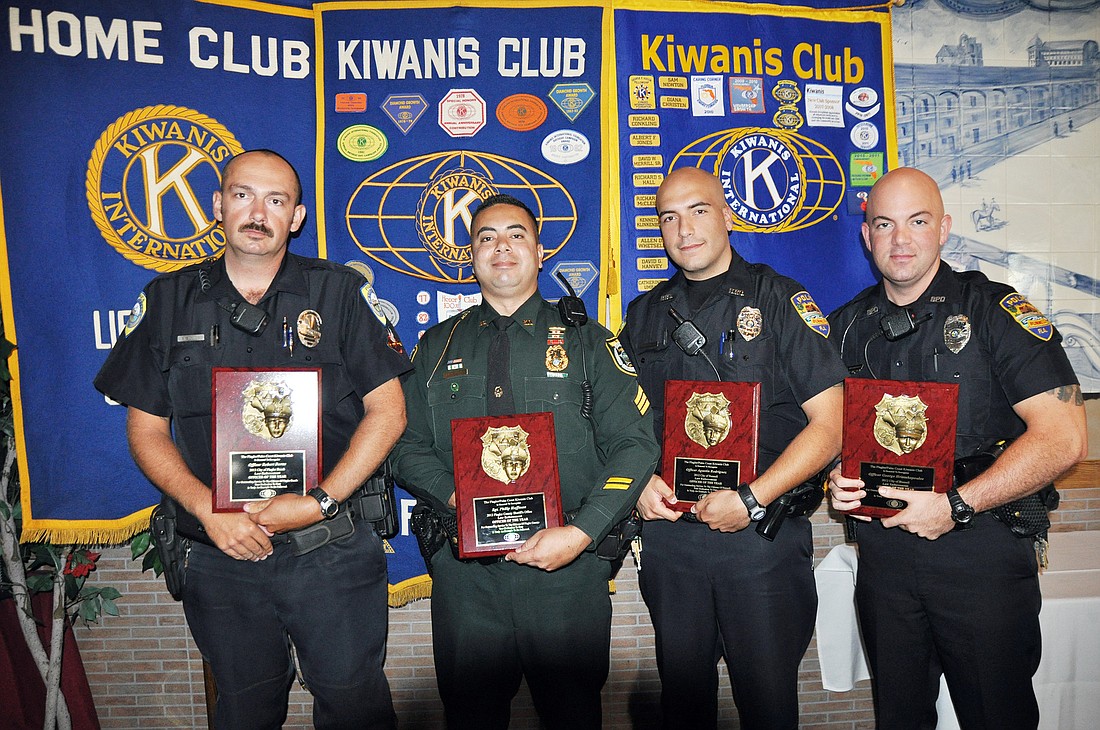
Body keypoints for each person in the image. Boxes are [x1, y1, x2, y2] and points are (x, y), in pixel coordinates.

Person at [94, 150, 411, 729]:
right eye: (242, 195)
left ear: (297, 216)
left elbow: (388, 413)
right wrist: (206, 510)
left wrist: (319, 501)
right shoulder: (166, 302)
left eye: (276, 200)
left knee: (355, 706)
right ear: (217, 205)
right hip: (221, 554)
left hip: (329, 550)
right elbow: (145, 429)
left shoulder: (339, 294)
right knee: (243, 710)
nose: (257, 212)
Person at [828, 167, 1088, 729]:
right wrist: (838, 478)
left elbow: (1064, 436)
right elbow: (832, 433)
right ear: (866, 235)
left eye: (917, 222)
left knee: (997, 716)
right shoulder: (848, 327)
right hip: (885, 556)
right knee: (899, 717)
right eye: (884, 224)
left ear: (943, 228)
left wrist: (957, 506)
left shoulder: (996, 311)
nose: (901, 239)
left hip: (981, 547)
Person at [390, 193, 659, 730]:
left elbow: (635, 444)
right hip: (468, 582)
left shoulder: (589, 342)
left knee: (573, 717)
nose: (501, 247)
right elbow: (402, 445)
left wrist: (581, 534)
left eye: (515, 235)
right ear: (470, 256)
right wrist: (459, 499)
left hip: (567, 575)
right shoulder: (437, 346)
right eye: (485, 237)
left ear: (539, 251)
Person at [619, 167, 846, 729]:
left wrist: (751, 498)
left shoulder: (780, 300)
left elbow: (832, 424)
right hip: (672, 543)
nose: (683, 227)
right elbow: (622, 423)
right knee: (684, 706)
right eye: (668, 216)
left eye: (697, 210)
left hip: (759, 543)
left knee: (767, 705)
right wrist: (638, 483)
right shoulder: (645, 314)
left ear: (726, 213)